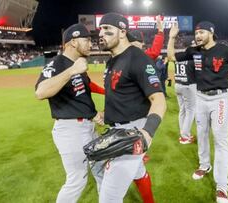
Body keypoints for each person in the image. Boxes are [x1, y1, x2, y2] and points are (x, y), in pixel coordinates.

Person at [168, 21, 228, 203]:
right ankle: (204, 166)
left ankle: (222, 186)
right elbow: (171, 56)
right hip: (200, 98)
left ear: (211, 33)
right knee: (201, 135)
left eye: (201, 32)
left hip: (219, 100)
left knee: (220, 141)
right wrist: (171, 37)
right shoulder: (194, 51)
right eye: (196, 33)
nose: (198, 36)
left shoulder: (226, 51)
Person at [98, 13, 166, 203]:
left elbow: (159, 99)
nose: (101, 33)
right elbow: (120, 93)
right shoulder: (113, 59)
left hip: (132, 132)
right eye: (100, 29)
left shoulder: (138, 58)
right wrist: (107, 114)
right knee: (138, 173)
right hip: (117, 128)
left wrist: (147, 132)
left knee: (108, 198)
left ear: (122, 32)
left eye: (106, 29)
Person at [35, 23, 105, 203]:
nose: (91, 44)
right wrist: (72, 70)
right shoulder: (58, 63)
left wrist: (95, 111)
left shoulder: (77, 64)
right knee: (77, 181)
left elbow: (83, 92)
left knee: (101, 171)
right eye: (87, 40)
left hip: (87, 127)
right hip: (71, 130)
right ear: (73, 42)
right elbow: (40, 92)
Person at [171, 39, 197, 144]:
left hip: (178, 84)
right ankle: (185, 136)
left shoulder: (179, 57)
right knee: (190, 111)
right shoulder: (193, 58)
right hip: (188, 86)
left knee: (182, 110)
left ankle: (183, 133)